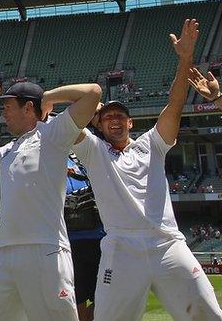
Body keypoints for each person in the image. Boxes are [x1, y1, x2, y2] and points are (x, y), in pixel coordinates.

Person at [73, 20, 222, 321]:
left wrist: (185, 60)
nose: (114, 120)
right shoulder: (93, 150)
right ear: (98, 125)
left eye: (120, 117)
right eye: (107, 117)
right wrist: (83, 103)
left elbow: (176, 103)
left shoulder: (151, 144)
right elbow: (72, 122)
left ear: (131, 123)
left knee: (208, 315)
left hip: (167, 243)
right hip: (120, 248)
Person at [0, 80, 101, 321]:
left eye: (8, 106)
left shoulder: (55, 133)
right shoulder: (12, 148)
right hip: (3, 252)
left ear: (29, 107)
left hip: (45, 250)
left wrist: (48, 96)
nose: (4, 112)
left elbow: (92, 93)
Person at [64, 152, 104, 321]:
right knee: (77, 298)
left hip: (100, 238)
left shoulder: (87, 153)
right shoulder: (50, 153)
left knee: (102, 297)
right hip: (70, 241)